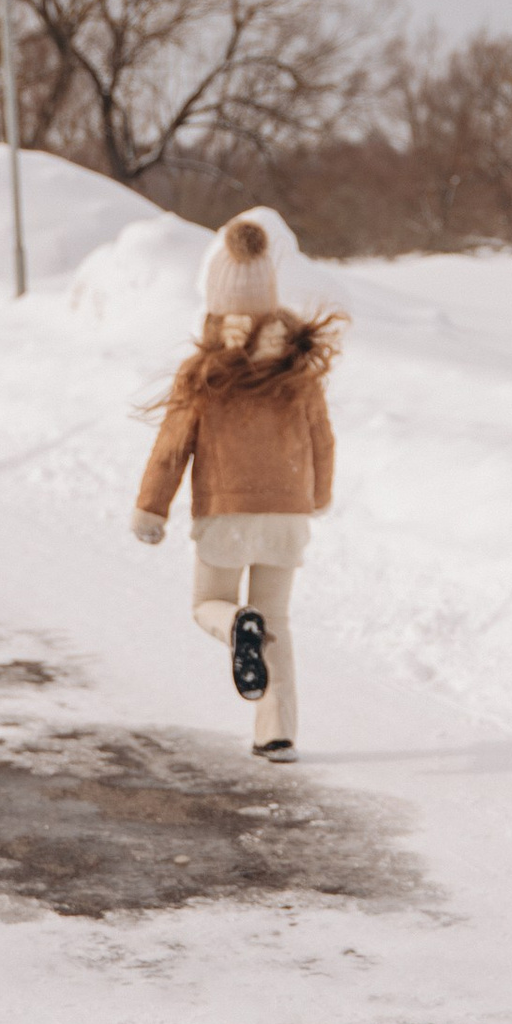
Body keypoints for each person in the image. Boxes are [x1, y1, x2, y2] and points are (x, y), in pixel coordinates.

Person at [129, 214, 339, 760]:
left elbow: (172, 447)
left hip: (227, 514)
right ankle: (277, 733)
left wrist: (151, 508)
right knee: (278, 622)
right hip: (287, 514)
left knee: (208, 604)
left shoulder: (203, 370)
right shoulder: (299, 368)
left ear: (216, 304)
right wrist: (315, 498)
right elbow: (323, 440)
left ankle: (234, 624)